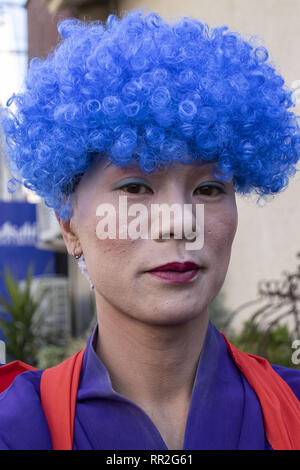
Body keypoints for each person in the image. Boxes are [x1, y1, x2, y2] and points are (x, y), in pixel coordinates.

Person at [0, 8, 299, 450]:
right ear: (69, 225)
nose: (179, 220)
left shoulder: (292, 406)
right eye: (136, 186)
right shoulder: (18, 429)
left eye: (210, 188)